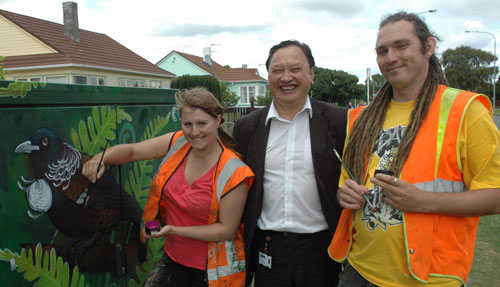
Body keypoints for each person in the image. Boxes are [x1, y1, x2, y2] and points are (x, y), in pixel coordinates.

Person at [328, 12, 500, 287]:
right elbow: (345, 186)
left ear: (428, 47)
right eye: (382, 51)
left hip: (432, 278)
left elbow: (495, 196)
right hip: (359, 271)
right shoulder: (359, 118)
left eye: (401, 46)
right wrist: (345, 194)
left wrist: (424, 201)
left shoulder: (465, 111)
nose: (391, 57)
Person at [83, 88, 254, 287]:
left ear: (218, 120)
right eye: (187, 124)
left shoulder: (234, 171)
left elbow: (225, 230)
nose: (194, 131)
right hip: (174, 260)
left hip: (212, 271)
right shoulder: (178, 141)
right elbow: (131, 151)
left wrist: (175, 230)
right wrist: (100, 159)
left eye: (202, 123)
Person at [233, 40, 347, 287]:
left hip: (323, 248)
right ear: (268, 76)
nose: (286, 78)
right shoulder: (247, 127)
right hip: (268, 247)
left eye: (295, 69)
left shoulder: (339, 121)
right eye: (277, 70)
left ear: (311, 74)